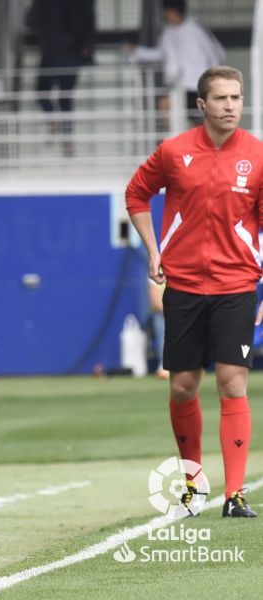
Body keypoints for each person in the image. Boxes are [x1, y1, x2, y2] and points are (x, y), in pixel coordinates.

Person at [126, 66, 259, 518]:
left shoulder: (258, 156)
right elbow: (136, 195)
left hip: (237, 285)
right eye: (220, 99)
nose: (230, 106)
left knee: (232, 380)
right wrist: (152, 249)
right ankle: (193, 485)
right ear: (201, 105)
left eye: (236, 98)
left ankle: (236, 493)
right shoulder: (173, 151)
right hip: (182, 286)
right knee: (183, 387)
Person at [127, 0, 224, 124]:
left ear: (174, 12)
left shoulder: (195, 29)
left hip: (197, 84)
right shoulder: (168, 32)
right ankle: (171, 140)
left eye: (167, 13)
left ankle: (203, 142)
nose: (165, 16)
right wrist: (137, 51)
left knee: (199, 121)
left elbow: (216, 53)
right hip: (177, 83)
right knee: (164, 104)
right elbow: (160, 54)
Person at [26, 0, 95, 156]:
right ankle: (68, 140)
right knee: (66, 99)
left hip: (51, 55)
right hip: (73, 56)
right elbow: (90, 23)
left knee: (42, 94)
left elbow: (31, 21)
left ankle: (53, 119)